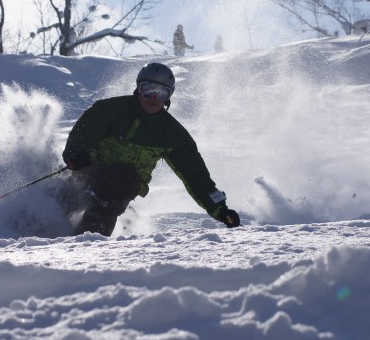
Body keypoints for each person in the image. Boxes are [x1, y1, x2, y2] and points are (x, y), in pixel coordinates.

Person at [61, 62, 240, 236]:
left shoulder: (172, 134)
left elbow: (196, 175)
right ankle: (42, 228)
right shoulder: (112, 110)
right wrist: (76, 154)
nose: (154, 98)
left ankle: (86, 244)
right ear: (139, 89)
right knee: (62, 201)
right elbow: (85, 131)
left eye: (161, 93)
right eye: (148, 90)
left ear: (168, 97)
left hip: (121, 186)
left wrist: (220, 210)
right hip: (90, 173)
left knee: (120, 181)